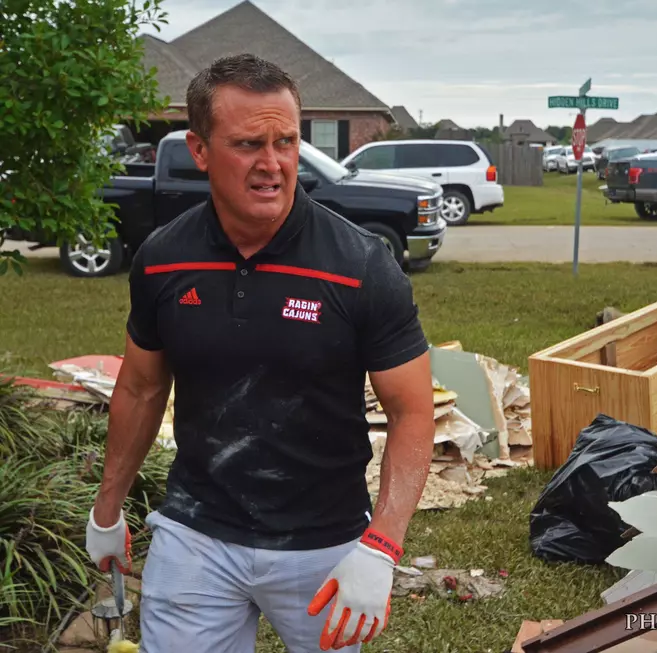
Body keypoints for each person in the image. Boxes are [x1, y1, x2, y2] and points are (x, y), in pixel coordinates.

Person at [84, 53, 435, 652]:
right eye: (249, 144)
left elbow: (413, 412)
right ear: (199, 150)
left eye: (287, 142)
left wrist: (382, 543)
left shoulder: (359, 266)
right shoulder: (164, 259)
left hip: (325, 544)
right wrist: (107, 510)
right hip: (198, 531)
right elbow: (142, 388)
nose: (272, 164)